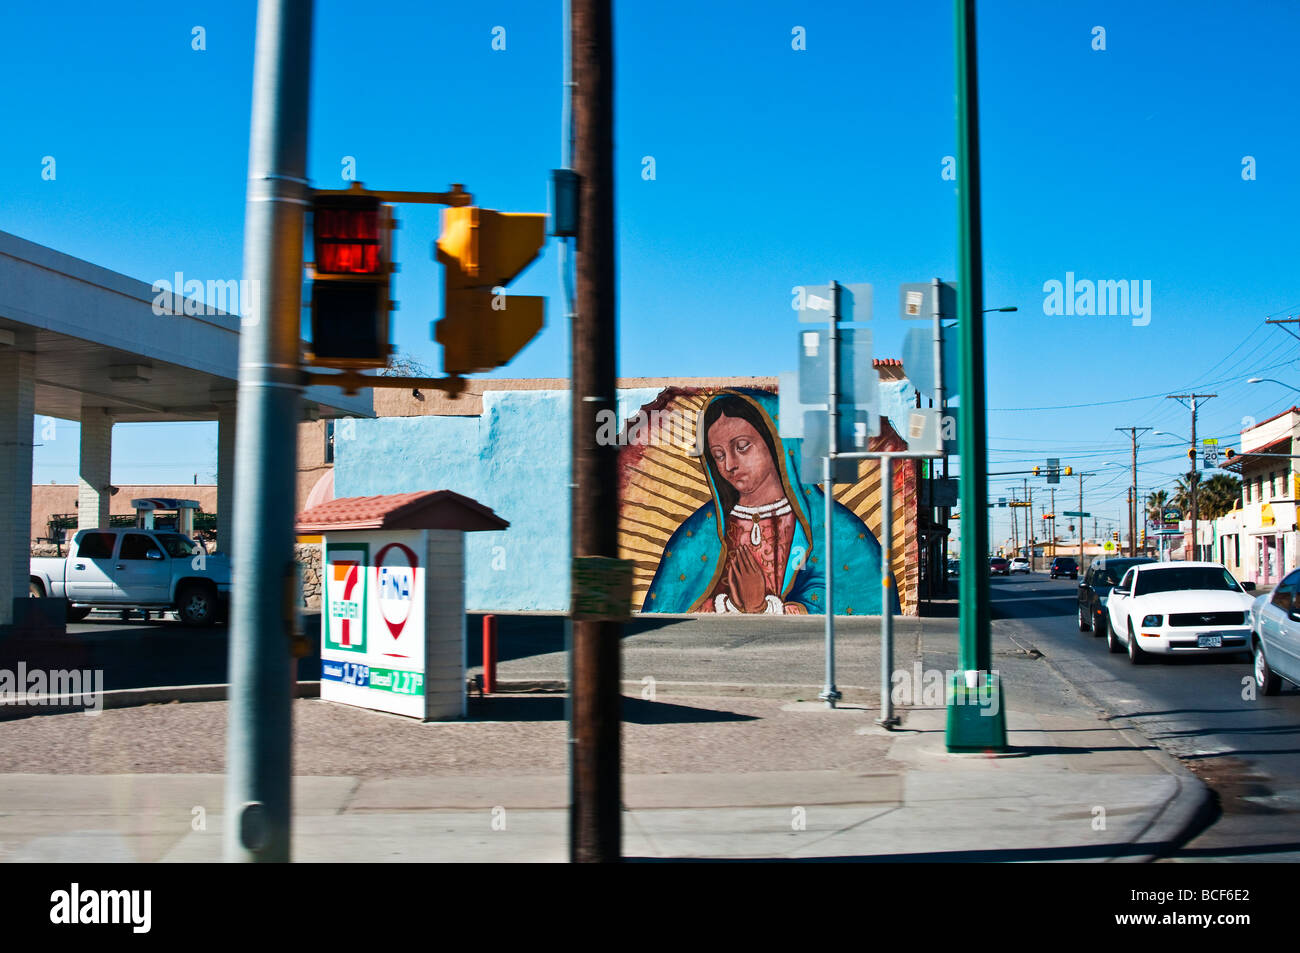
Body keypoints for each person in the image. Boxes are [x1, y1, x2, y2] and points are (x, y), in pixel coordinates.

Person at [643, 390, 888, 614]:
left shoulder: (836, 529)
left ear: (776, 443)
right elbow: (672, 615)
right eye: (718, 455)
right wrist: (732, 606)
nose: (729, 465)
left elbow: (854, 603)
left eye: (742, 446)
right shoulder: (699, 532)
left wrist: (765, 607)